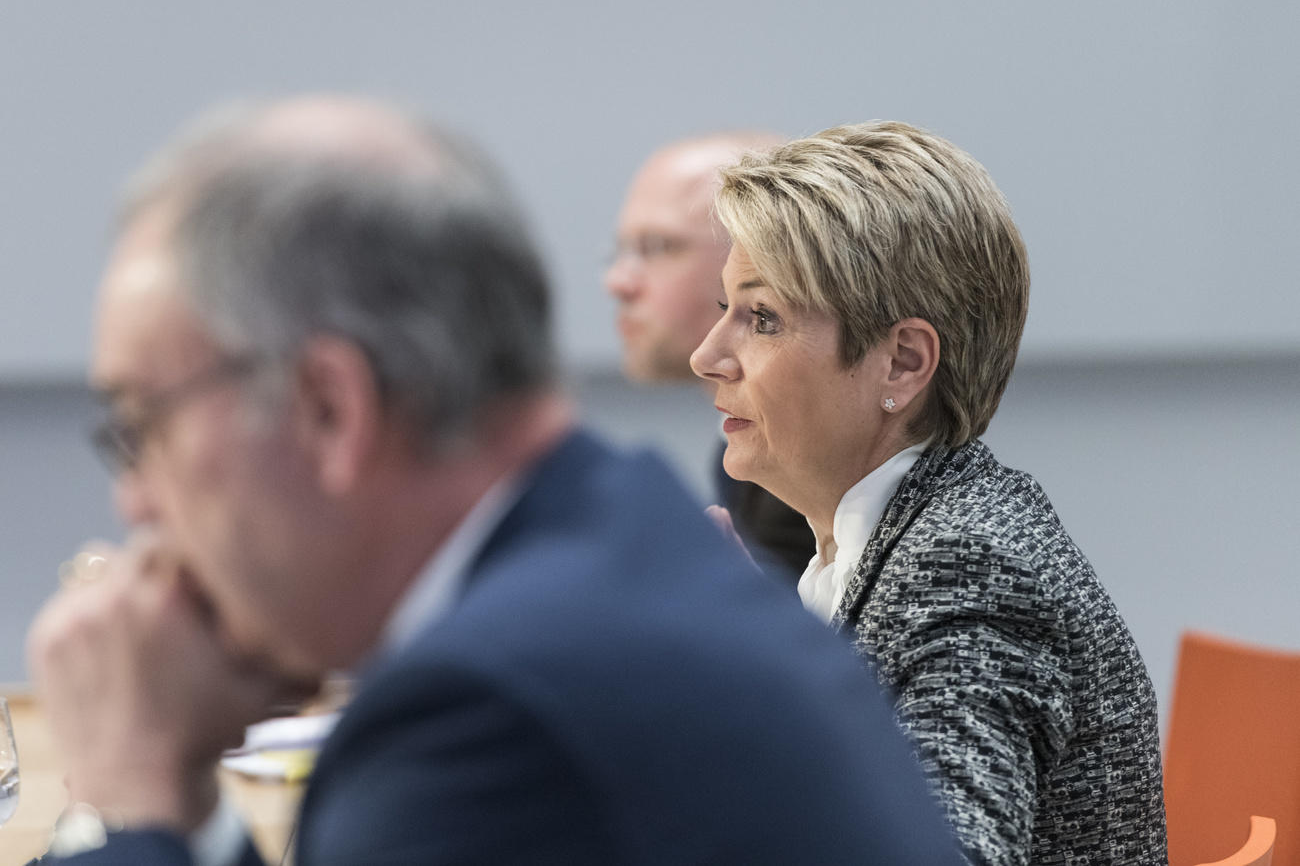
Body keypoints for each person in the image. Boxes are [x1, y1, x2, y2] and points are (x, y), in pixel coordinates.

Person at [24, 97, 966, 866]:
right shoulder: (629, 539)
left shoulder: (491, 713)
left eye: (144, 425)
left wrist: (133, 796)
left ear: (329, 409)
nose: (136, 502)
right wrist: (186, 807)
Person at [691, 121, 1168, 865]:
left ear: (903, 363)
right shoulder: (899, 536)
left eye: (762, 317)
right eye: (723, 309)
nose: (708, 355)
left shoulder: (969, 565)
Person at [605, 134, 814, 578]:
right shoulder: (744, 453)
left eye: (658, 246)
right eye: (622, 251)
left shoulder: (821, 472)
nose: (619, 282)